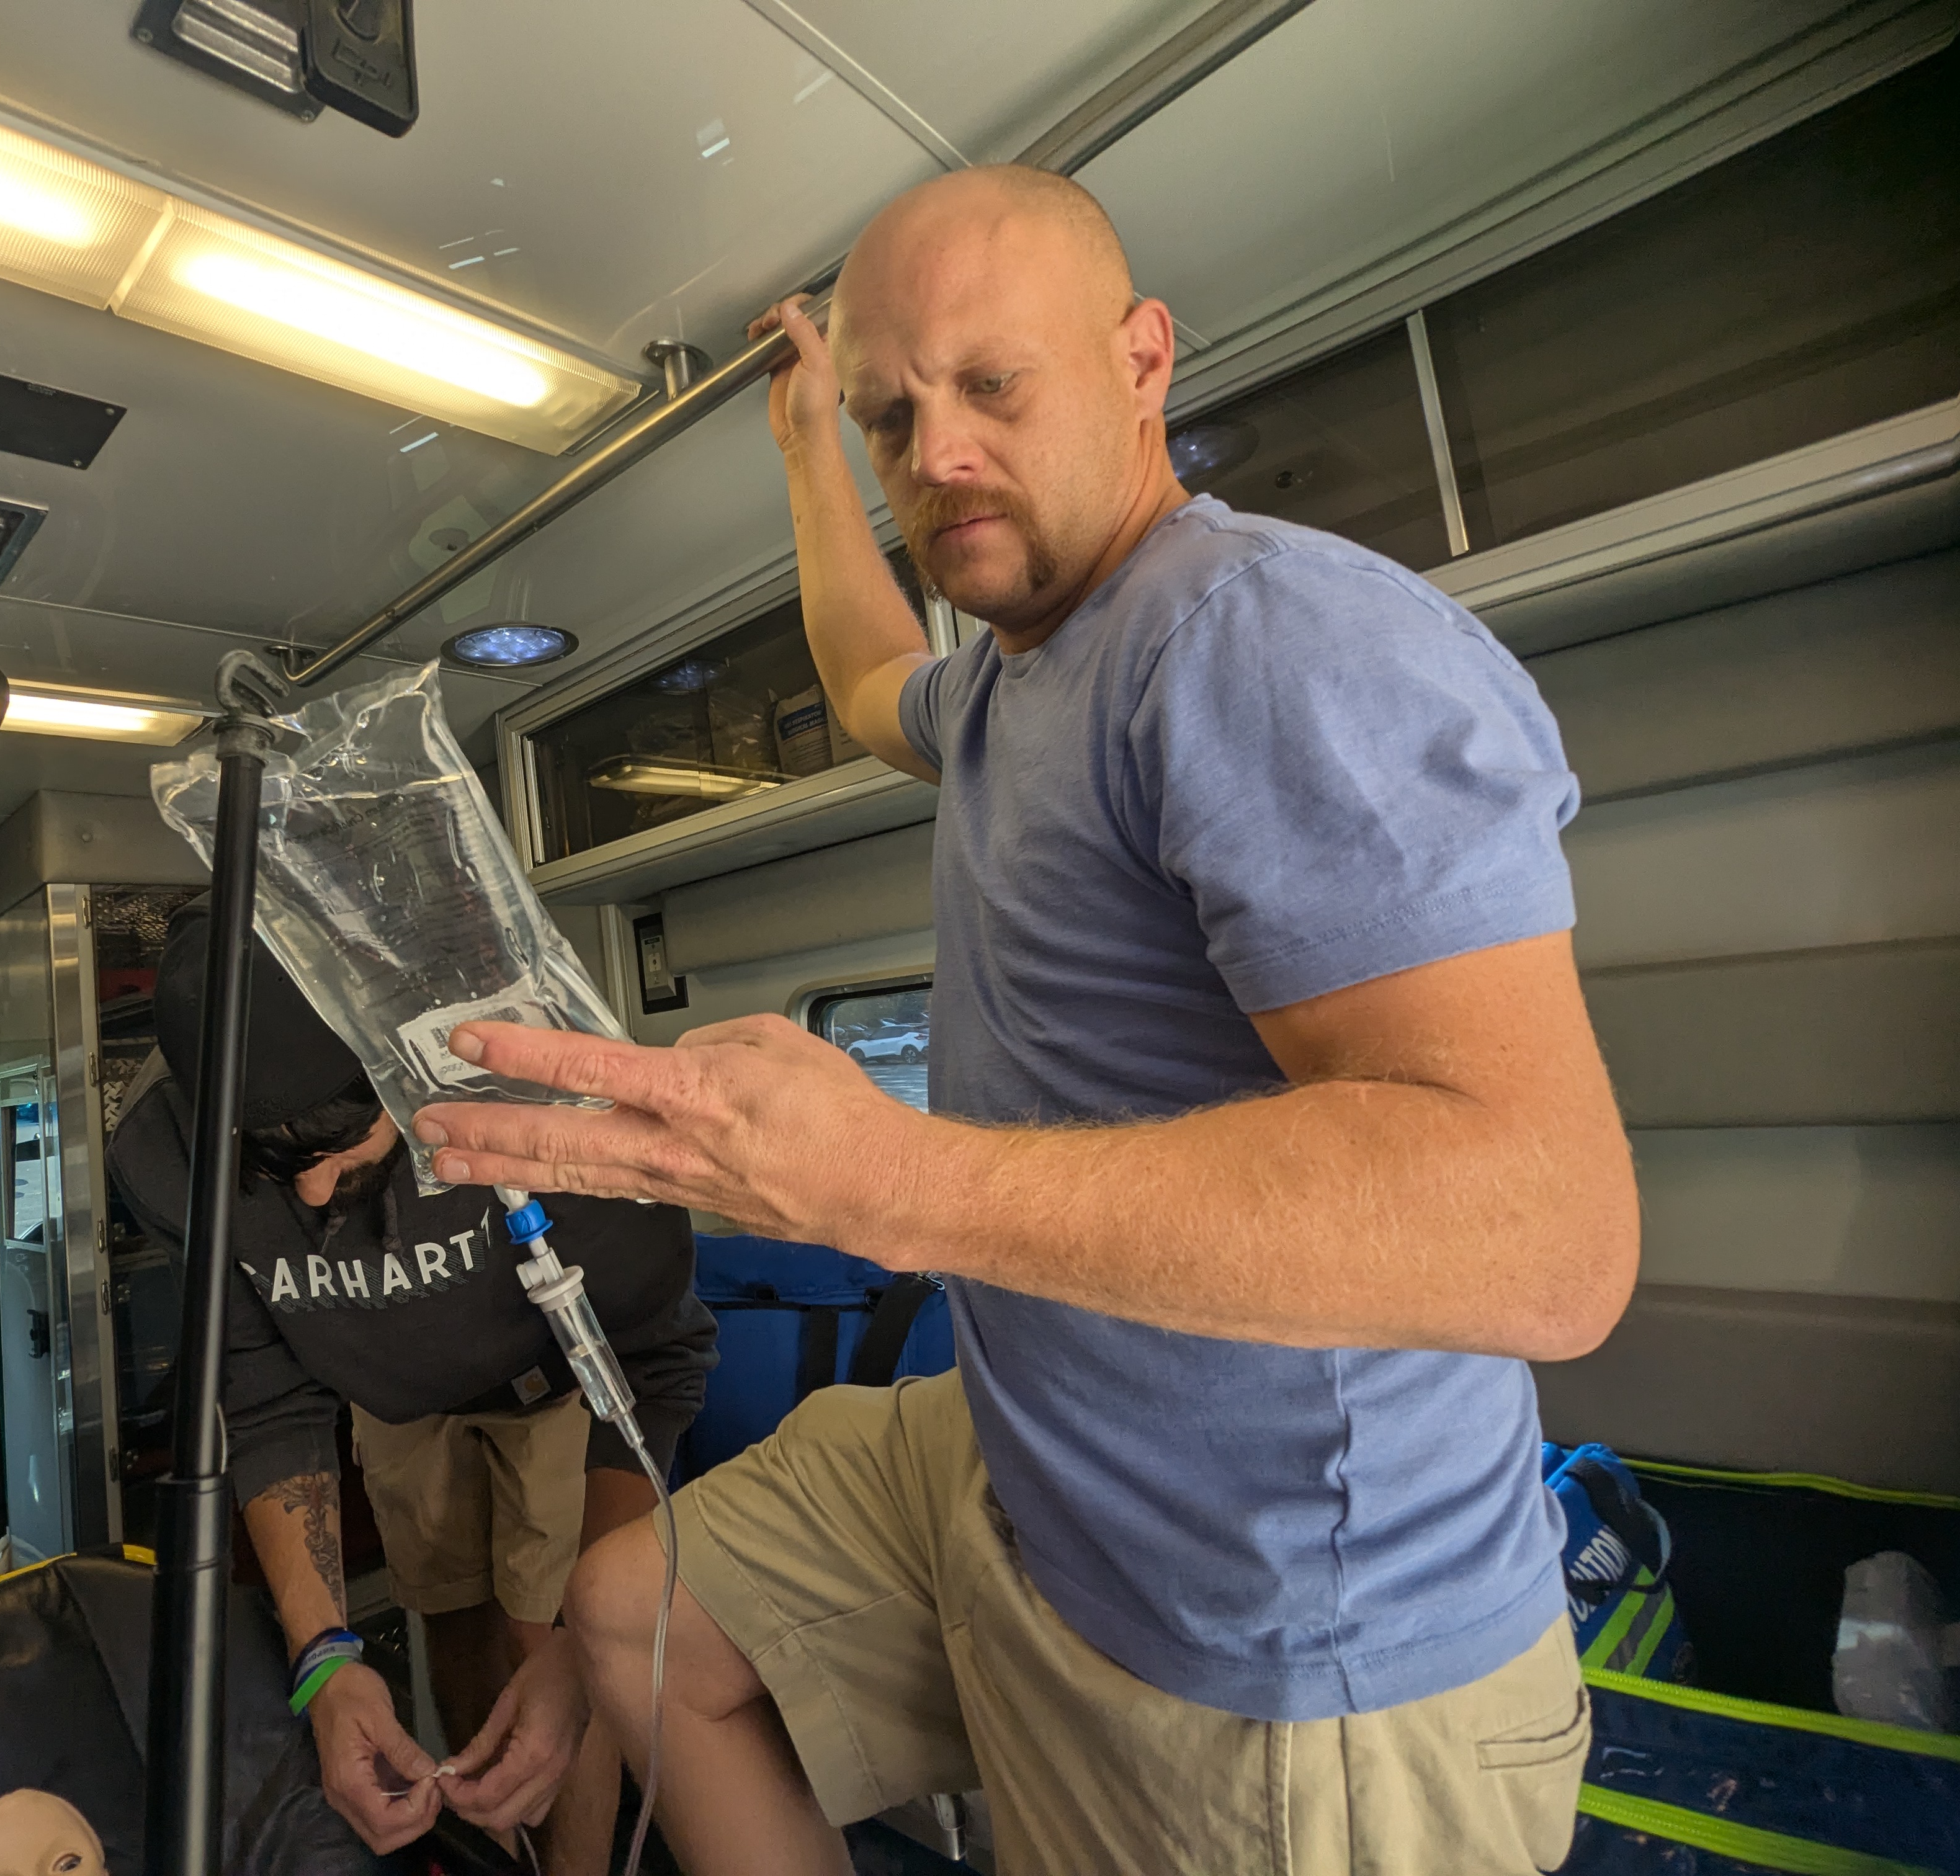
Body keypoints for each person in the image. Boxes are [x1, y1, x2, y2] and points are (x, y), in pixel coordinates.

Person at [410, 165, 1639, 1875]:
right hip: (1031, 1459)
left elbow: (1550, 1238)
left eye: (994, 386)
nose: (942, 457)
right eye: (894, 417)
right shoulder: (1009, 673)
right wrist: (804, 447)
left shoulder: (1252, 645)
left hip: (1274, 1641)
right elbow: (857, 680)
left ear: (1145, 362)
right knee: (637, 1617)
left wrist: (893, 1187)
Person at [105, 900, 715, 1872]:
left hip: (559, 1386)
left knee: (549, 1642)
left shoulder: (536, 1078)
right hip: (390, 1397)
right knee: (452, 1619)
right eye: (273, 1165)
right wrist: (324, 1667)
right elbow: (261, 1397)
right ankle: (489, 1844)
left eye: (342, 1148)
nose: (310, 1199)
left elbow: (654, 1358)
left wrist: (584, 1652)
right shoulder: (160, 1151)